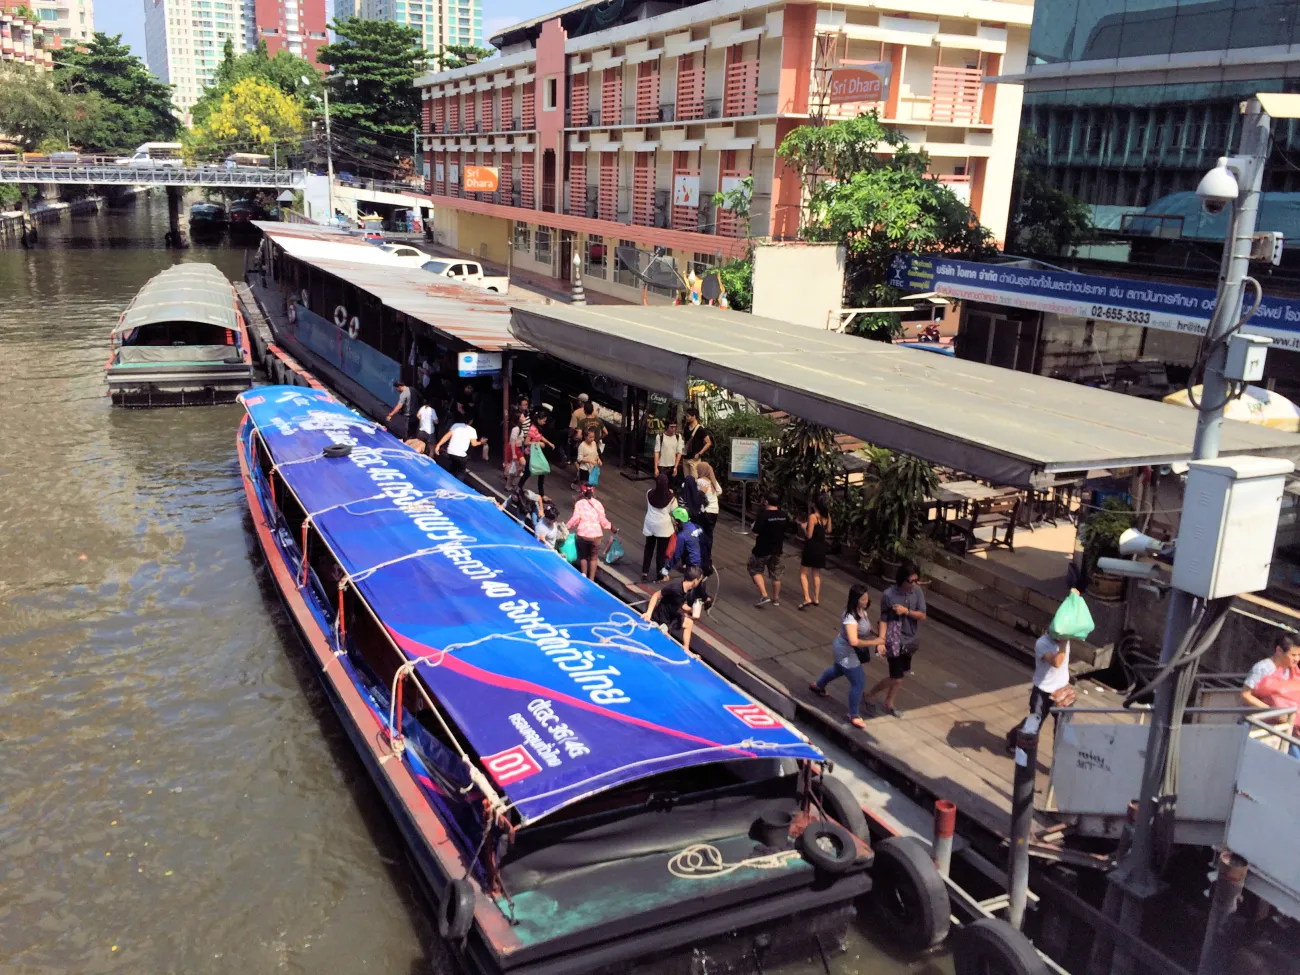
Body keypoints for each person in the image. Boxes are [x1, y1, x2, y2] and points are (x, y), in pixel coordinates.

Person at [809, 585, 886, 729]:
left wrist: (876, 633)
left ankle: (818, 685)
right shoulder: (850, 617)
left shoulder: (862, 611)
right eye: (863, 599)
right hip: (846, 651)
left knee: (838, 669)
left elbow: (865, 628)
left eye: (867, 597)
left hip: (847, 651)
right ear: (855, 599)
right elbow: (854, 641)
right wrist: (875, 642)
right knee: (858, 682)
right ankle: (853, 714)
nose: (866, 600)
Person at [864, 561, 927, 718]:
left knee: (901, 674)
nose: (913, 584)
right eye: (910, 581)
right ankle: (871, 694)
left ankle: (889, 702)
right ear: (902, 579)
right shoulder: (889, 595)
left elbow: (922, 615)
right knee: (897, 677)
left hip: (910, 640)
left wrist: (906, 611)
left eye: (915, 580)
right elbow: (884, 618)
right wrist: (881, 640)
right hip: (894, 640)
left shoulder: (917, 592)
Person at [1005, 625, 1073, 753]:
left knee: (1061, 727)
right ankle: (1014, 738)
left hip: (1061, 690)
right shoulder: (1042, 643)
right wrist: (1064, 644)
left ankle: (1058, 761)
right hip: (1043, 690)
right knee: (1034, 723)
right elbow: (1056, 662)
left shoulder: (1065, 639)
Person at [1241, 634, 1300, 757]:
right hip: (1260, 724)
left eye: (1299, 655)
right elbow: (1245, 694)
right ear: (1279, 650)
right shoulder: (1263, 668)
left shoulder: (1291, 671)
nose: (1297, 659)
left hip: (1286, 726)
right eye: (1293, 655)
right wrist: (1272, 711)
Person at [643, 566, 705, 648]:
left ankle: (686, 649)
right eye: (699, 580)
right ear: (695, 581)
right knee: (663, 640)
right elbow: (656, 595)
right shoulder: (674, 588)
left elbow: (681, 604)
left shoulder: (688, 590)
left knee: (689, 623)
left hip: (672, 616)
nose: (699, 583)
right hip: (661, 617)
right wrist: (649, 613)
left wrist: (693, 610)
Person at [749, 493, 789, 607]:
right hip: (777, 549)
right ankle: (776, 598)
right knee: (776, 574)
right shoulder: (783, 515)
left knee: (754, 569)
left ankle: (764, 595)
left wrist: (753, 527)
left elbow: (755, 531)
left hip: (762, 548)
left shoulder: (764, 515)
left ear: (766, 502)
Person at [566, 484, 613, 581]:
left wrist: (566, 527)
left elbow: (575, 519)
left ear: (582, 492)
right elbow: (603, 521)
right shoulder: (598, 504)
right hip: (596, 536)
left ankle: (583, 575)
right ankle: (591, 580)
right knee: (593, 558)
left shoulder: (579, 504)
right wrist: (611, 527)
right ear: (593, 491)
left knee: (583, 556)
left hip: (582, 535)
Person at [798, 493, 832, 610]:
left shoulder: (813, 517)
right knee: (816, 574)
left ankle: (807, 597)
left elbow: (809, 535)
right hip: (821, 547)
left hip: (811, 547)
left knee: (803, 573)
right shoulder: (826, 515)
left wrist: (803, 527)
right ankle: (816, 598)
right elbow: (829, 530)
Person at [641, 473, 676, 582]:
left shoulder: (649, 493)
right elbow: (674, 512)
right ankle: (660, 575)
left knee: (648, 549)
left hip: (650, 524)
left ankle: (644, 572)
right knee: (661, 552)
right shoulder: (671, 498)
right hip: (664, 527)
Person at [433, 415, 484, 481]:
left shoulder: (456, 425)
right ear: (471, 421)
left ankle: (447, 480)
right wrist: (481, 442)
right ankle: (458, 485)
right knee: (461, 472)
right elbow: (474, 444)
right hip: (461, 455)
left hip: (450, 452)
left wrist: (438, 445)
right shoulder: (472, 430)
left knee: (453, 466)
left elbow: (447, 436)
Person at [693, 462, 721, 572]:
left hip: (706, 511)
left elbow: (695, 494)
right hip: (715, 511)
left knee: (701, 533)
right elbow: (719, 491)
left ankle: (701, 556)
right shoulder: (712, 481)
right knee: (710, 533)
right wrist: (712, 495)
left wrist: (705, 494)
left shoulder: (699, 481)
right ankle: (708, 555)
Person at [668, 506, 707, 574]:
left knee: (687, 583)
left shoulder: (682, 535)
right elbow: (706, 543)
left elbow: (677, 555)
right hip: (703, 561)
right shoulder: (698, 527)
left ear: (677, 521)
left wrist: (666, 569)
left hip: (693, 566)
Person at [525, 410, 554, 496]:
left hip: (536, 454)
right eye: (543, 421)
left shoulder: (537, 429)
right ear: (538, 419)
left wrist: (549, 443)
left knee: (541, 473)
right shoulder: (532, 429)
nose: (544, 423)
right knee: (527, 473)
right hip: (531, 454)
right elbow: (526, 443)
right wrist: (538, 444)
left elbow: (540, 437)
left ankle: (541, 494)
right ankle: (519, 487)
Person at [682, 406, 713, 476]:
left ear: (694, 416)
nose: (686, 418)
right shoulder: (686, 427)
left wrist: (700, 453)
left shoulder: (700, 429)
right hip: (685, 458)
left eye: (688, 416)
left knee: (694, 479)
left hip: (694, 459)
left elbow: (709, 442)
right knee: (687, 480)